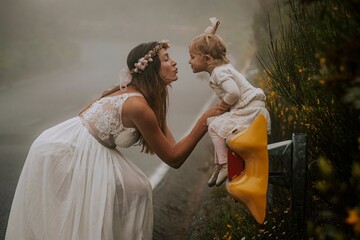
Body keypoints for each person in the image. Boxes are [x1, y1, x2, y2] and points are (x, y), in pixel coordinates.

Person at [5, 40, 226, 240]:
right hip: (65, 149)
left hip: (84, 146)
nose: (175, 62)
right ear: (151, 70)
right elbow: (173, 158)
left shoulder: (147, 99)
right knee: (71, 216)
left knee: (137, 189)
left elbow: (173, 149)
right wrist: (204, 121)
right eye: (166, 59)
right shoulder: (138, 105)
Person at [188, 18, 271, 187]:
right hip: (250, 108)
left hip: (249, 110)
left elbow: (234, 92)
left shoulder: (219, 73)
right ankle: (220, 165)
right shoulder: (221, 70)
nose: (189, 61)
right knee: (215, 125)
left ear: (207, 58)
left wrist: (224, 106)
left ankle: (224, 165)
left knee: (213, 126)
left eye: (192, 57)